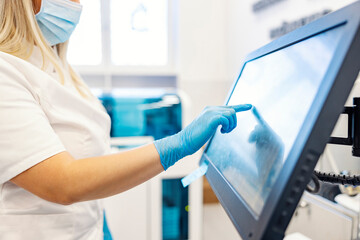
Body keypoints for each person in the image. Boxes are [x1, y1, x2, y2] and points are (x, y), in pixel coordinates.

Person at [0, 0, 251, 239]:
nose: (77, 5)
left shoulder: (57, 64)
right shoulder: (6, 71)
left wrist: (102, 228)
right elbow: (61, 182)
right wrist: (179, 143)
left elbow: (90, 166)